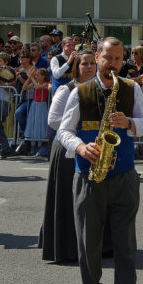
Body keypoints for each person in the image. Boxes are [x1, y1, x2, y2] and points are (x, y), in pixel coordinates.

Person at [57, 37, 143, 284]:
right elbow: (63, 131)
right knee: (89, 240)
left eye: (118, 59)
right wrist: (80, 147)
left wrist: (131, 123)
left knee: (125, 241)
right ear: (97, 57)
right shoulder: (80, 91)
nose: (113, 63)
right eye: (108, 58)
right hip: (88, 174)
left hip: (124, 174)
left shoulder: (131, 88)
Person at [40, 47, 97, 264]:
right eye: (84, 63)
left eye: (92, 63)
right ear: (76, 67)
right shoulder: (67, 89)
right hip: (67, 148)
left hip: (91, 147)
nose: (89, 67)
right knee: (67, 198)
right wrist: (76, 124)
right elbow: (53, 120)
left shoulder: (100, 89)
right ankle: (66, 246)